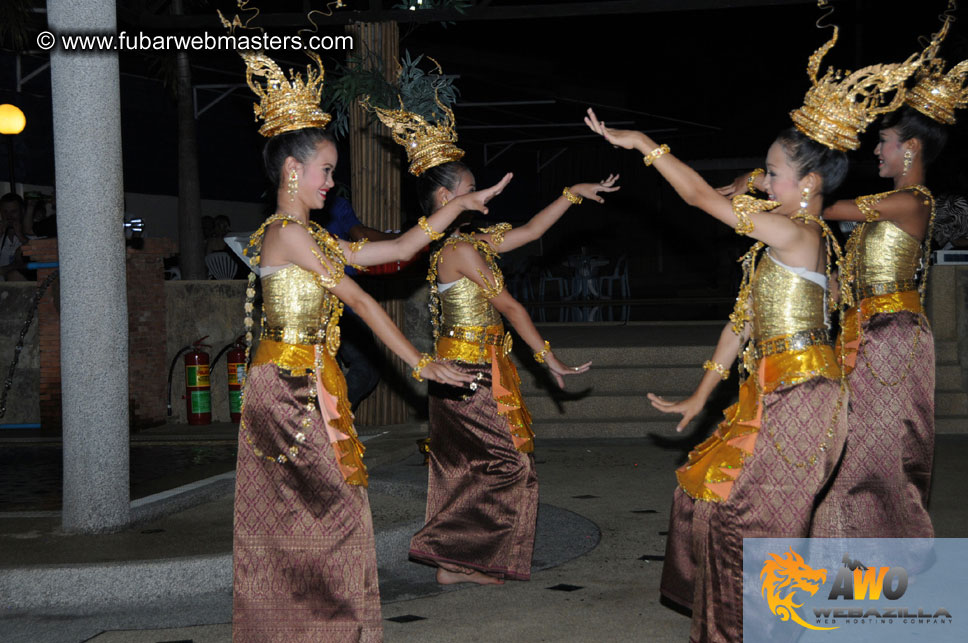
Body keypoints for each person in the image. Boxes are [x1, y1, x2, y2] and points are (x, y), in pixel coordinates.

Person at [584, 19, 932, 640]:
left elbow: (699, 200)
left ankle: (762, 627)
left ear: (808, 186)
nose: (759, 181)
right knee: (707, 504)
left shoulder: (799, 233)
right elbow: (744, 318)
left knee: (743, 520)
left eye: (770, 173)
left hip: (803, 394)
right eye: (762, 172)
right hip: (773, 390)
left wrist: (643, 144)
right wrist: (700, 392)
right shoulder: (783, 237)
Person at [223, 43, 509, 641]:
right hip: (287, 386)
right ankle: (320, 626)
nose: (332, 182)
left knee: (325, 509)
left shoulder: (310, 235)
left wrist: (457, 206)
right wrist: (421, 363)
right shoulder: (287, 234)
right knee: (333, 508)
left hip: (305, 381)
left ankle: (312, 625)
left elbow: (400, 250)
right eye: (326, 170)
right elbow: (357, 299)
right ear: (293, 172)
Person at [368, 88, 611, 586]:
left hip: (479, 367)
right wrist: (549, 358)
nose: (485, 194)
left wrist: (571, 194)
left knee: (476, 468)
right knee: (508, 465)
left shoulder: (470, 243)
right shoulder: (458, 250)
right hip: (467, 373)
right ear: (445, 199)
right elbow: (510, 305)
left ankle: (456, 565)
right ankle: (460, 559)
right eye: (473, 187)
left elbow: (527, 231)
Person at [809, 60, 962, 536]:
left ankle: (872, 559)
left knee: (874, 450)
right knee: (855, 448)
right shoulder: (888, 206)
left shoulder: (911, 201)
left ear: (910, 148)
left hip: (892, 334)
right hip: (868, 332)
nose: (876, 150)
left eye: (884, 142)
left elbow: (827, 208)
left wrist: (777, 184)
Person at [315, 194, 398, 409]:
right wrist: (397, 240)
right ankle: (331, 415)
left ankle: (331, 415)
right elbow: (360, 234)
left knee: (359, 368)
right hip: (335, 304)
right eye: (325, 170)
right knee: (366, 366)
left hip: (334, 304)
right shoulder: (332, 205)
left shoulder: (300, 222)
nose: (328, 182)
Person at [0, 193, 29, 282]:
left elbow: (38, 257)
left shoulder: (32, 231)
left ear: (22, 211)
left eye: (13, 211)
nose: (9, 217)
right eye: (5, 212)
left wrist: (20, 236)